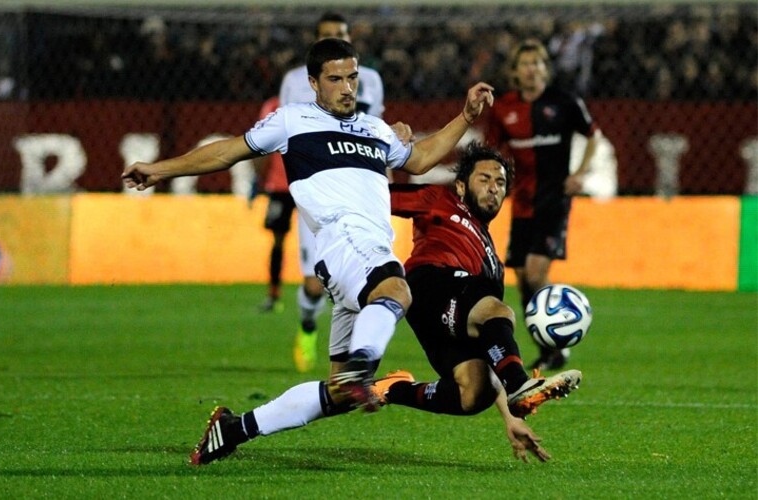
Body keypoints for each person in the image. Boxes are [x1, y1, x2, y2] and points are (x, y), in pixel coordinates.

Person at [122, 38, 495, 465]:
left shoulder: (375, 129)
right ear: (314, 83)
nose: (346, 87)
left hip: (357, 260)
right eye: (335, 79)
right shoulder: (293, 121)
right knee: (397, 290)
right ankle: (362, 362)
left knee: (340, 394)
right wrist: (158, 169)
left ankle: (234, 429)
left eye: (352, 77)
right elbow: (227, 152)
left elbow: (422, 158)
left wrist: (465, 116)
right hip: (346, 242)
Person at [368, 142, 581, 463]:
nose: (493, 188)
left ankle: (392, 389)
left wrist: (513, 418)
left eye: (500, 183)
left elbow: (492, 346)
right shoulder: (440, 199)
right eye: (484, 179)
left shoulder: (493, 264)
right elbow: (374, 196)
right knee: (496, 309)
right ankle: (520, 385)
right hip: (429, 282)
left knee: (474, 393)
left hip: (446, 311)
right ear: (461, 184)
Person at [278, 12, 386, 373]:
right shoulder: (293, 82)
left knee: (371, 279)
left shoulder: (370, 80)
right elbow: (289, 139)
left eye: (340, 34)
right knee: (312, 285)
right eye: (326, 35)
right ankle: (309, 328)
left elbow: (375, 131)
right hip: (322, 192)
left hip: (361, 196)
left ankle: (352, 361)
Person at [485, 38, 600, 371]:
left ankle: (559, 334)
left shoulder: (564, 102)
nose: (532, 69)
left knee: (536, 273)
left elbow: (593, 135)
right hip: (522, 202)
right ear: (516, 72)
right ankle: (549, 349)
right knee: (522, 279)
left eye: (538, 63)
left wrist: (579, 173)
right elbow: (493, 151)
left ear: (545, 69)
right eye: (526, 63)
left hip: (554, 200)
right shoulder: (504, 108)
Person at [253, 96, 291, 314]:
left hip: (308, 183)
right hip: (279, 185)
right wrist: (259, 179)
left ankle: (321, 294)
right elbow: (261, 144)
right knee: (277, 242)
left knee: (321, 242)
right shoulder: (273, 105)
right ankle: (274, 294)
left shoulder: (317, 102)